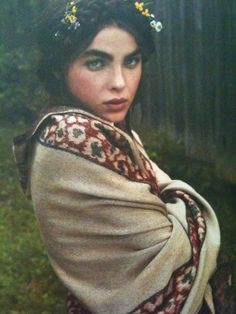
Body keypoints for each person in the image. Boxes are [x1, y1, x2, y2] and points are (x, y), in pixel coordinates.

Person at [13, 0, 221, 313]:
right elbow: (178, 249)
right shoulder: (71, 132)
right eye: (96, 63)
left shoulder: (110, 129)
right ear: (59, 68)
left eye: (132, 61)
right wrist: (179, 199)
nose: (120, 83)